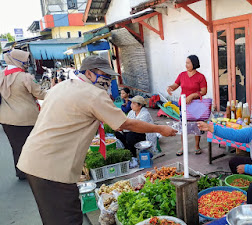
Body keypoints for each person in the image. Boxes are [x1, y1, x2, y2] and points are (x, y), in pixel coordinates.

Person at [16, 55, 177, 225]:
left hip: (33, 159)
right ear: (89, 74)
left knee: (53, 216)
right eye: (104, 75)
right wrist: (160, 128)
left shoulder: (61, 86)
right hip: (53, 168)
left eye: (109, 77)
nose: (107, 81)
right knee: (67, 219)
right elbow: (124, 124)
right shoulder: (93, 94)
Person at [0, 49, 47, 180]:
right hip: (26, 119)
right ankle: (34, 172)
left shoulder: (1, 75)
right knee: (32, 145)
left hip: (6, 119)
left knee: (16, 147)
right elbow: (41, 93)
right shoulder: (24, 77)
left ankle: (21, 172)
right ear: (18, 61)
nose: (27, 63)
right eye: (25, 61)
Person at [167, 55, 207, 156]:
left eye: (188, 63)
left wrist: (193, 95)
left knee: (196, 126)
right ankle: (183, 147)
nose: (186, 65)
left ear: (194, 63)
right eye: (186, 63)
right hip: (183, 105)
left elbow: (204, 91)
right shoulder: (182, 75)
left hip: (196, 105)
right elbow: (175, 85)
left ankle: (197, 146)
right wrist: (170, 88)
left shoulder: (200, 77)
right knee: (183, 125)